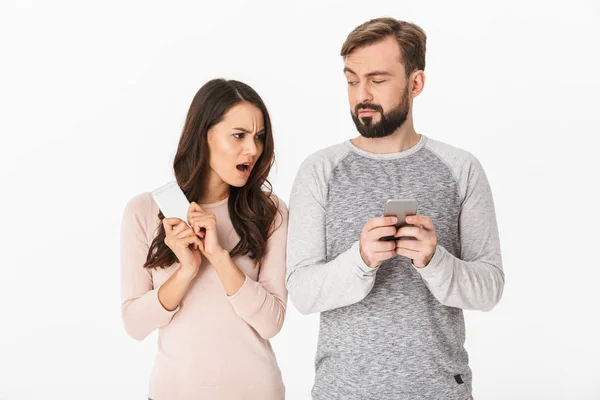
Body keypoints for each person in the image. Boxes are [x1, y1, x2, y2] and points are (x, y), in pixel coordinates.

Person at [286, 18, 504, 400]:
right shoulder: (319, 170)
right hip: (343, 393)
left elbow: (489, 289)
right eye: (352, 80)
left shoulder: (460, 168)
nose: (361, 94)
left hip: (439, 392)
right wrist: (362, 259)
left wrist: (434, 261)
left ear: (415, 83)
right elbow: (302, 292)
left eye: (378, 79)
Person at [120, 79, 288, 400]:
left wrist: (220, 258)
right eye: (239, 135)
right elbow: (135, 325)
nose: (253, 149)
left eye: (259, 137)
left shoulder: (269, 212)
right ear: (205, 135)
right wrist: (186, 270)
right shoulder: (144, 211)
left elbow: (271, 323)